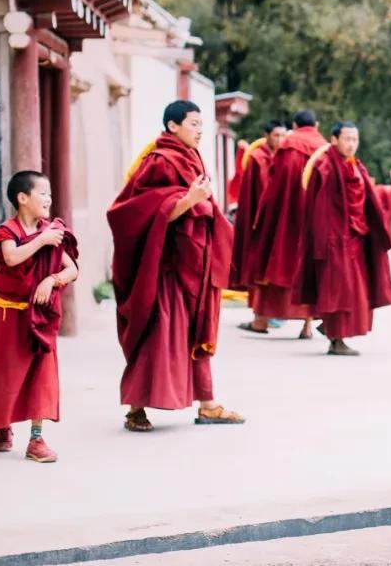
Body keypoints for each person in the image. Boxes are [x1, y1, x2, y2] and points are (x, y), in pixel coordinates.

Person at [108, 100, 242, 432]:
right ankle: (136, 408)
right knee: (159, 334)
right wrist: (188, 202)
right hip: (165, 268)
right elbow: (133, 211)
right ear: (172, 126)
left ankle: (208, 404)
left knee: (198, 331)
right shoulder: (158, 161)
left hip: (195, 262)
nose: (199, 130)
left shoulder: (191, 157)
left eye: (201, 124)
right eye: (193, 123)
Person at [0, 171, 79, 463]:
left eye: (50, 194)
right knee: (3, 378)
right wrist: (42, 240)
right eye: (43, 193)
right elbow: (12, 258)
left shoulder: (51, 231)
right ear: (22, 198)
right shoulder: (8, 231)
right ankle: (2, 426)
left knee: (41, 377)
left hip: (39, 318)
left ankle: (36, 440)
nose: (49, 199)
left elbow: (72, 269)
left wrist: (51, 280)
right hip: (6, 316)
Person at [293, 122, 391, 356]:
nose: (351, 144)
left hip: (356, 236)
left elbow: (367, 201)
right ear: (334, 139)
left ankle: (331, 330)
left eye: (355, 140)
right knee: (339, 290)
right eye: (347, 139)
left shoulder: (355, 165)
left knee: (354, 291)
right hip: (334, 239)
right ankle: (336, 339)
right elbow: (321, 209)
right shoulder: (326, 166)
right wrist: (326, 242)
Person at [245, 110, 327, 337]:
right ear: (317, 125)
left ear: (294, 125)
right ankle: (307, 326)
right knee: (309, 269)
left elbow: (275, 184)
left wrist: (267, 216)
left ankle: (260, 322)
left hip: (286, 218)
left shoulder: (289, 146)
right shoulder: (324, 148)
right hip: (313, 221)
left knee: (273, 263)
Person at [229, 120, 286, 332]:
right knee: (260, 270)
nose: (279, 140)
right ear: (267, 135)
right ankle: (260, 316)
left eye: (282, 135)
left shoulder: (285, 157)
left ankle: (274, 314)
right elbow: (253, 193)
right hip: (259, 222)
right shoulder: (256, 158)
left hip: (279, 221)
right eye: (276, 135)